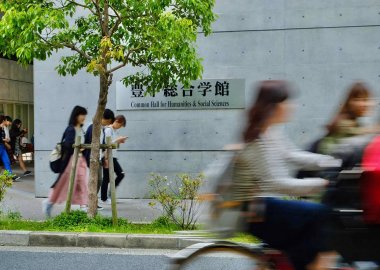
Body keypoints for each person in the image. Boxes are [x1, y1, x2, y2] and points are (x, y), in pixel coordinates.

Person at [232, 81, 341, 270]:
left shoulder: (271, 132)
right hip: (253, 211)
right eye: (287, 102)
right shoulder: (258, 139)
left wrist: (333, 162)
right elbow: (276, 183)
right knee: (321, 215)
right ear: (274, 106)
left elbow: (292, 155)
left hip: (265, 205)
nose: (292, 107)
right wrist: (320, 184)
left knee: (310, 230)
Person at [42, 106, 89, 217]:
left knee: (82, 182)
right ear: (76, 115)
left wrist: (81, 148)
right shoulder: (71, 129)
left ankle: (83, 206)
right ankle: (49, 202)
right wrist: (78, 147)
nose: (83, 117)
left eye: (84, 115)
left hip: (80, 160)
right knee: (62, 184)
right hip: (71, 160)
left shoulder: (81, 129)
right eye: (81, 115)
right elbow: (67, 145)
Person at [318, 82, 376, 155]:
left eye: (367, 100)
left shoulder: (354, 121)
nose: (365, 104)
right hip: (330, 162)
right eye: (360, 100)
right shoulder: (344, 121)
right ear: (349, 102)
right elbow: (357, 133)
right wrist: (374, 130)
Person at [84, 108, 115, 210]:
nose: (108, 124)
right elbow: (88, 143)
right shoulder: (93, 127)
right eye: (108, 121)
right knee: (95, 181)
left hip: (99, 159)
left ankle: (91, 202)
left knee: (98, 180)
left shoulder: (101, 129)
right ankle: (89, 202)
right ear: (104, 118)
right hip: (92, 159)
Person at [101, 115, 127, 204]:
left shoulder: (115, 131)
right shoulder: (108, 130)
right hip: (107, 156)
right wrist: (117, 140)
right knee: (108, 177)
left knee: (118, 175)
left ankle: (107, 196)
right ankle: (105, 198)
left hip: (113, 156)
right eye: (120, 125)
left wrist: (119, 141)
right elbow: (107, 143)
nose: (120, 127)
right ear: (116, 121)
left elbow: (114, 144)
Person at [0, 115, 20, 181]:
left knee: (7, 161)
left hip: (2, 147)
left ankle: (10, 176)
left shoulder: (2, 128)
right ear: (3, 121)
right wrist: (4, 140)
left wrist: (5, 140)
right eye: (5, 121)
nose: (7, 123)